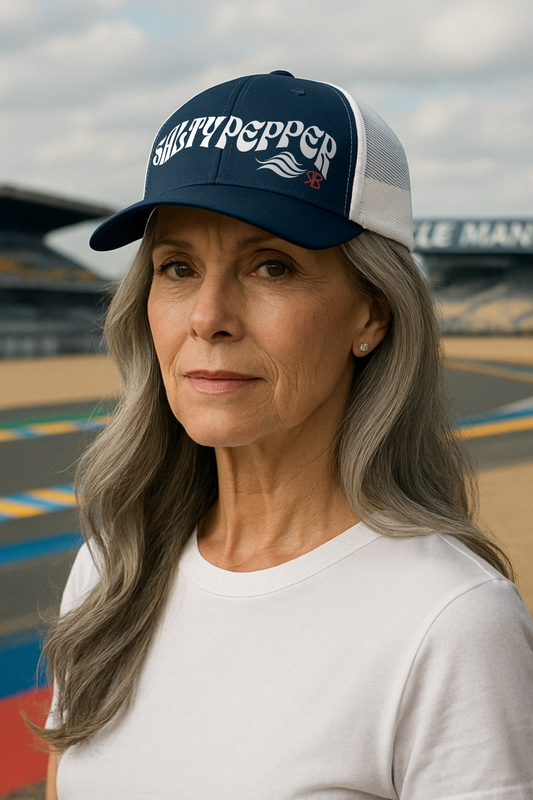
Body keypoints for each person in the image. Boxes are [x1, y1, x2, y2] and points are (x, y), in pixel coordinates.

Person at [40, 71, 533, 799]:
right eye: (177, 267)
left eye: (271, 266)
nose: (208, 316)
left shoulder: (451, 624)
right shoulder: (112, 565)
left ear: (372, 313)